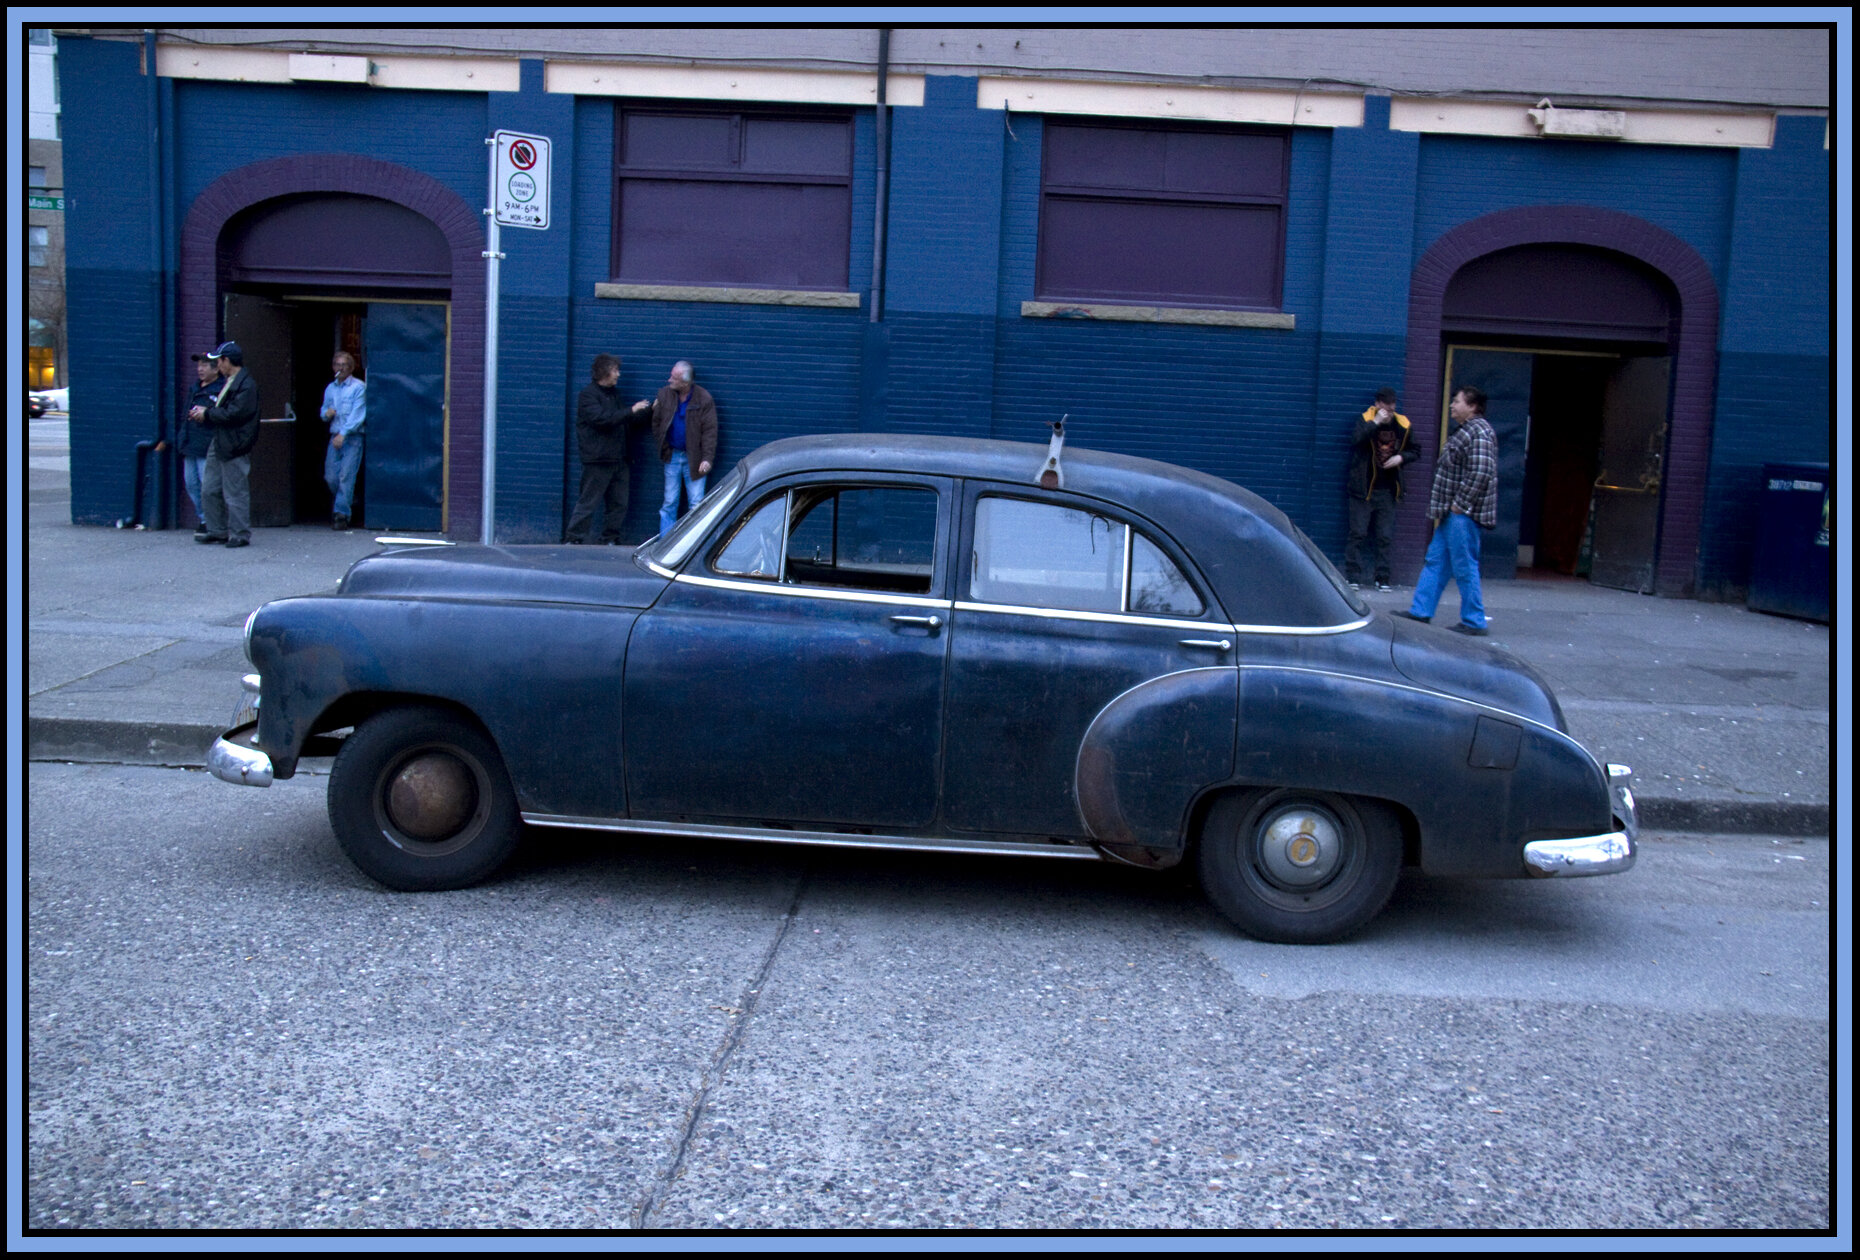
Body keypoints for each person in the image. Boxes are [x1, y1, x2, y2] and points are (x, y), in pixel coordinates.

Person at [1396, 385, 1497, 635]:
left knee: (1464, 566)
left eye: (1457, 401)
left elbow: (1482, 470)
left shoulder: (1479, 432)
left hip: (1462, 514)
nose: (1452, 405)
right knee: (1436, 561)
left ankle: (1474, 621)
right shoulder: (1468, 431)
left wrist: (1459, 504)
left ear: (1472, 407)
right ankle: (1420, 612)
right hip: (1451, 514)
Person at [567, 353, 648, 544]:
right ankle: (573, 539)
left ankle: (610, 538)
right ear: (604, 372)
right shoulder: (588, 395)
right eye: (615, 370)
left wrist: (648, 411)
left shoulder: (614, 395)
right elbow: (602, 420)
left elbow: (624, 420)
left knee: (619, 503)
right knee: (588, 501)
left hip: (619, 459)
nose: (618, 374)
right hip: (598, 460)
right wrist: (631, 410)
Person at [1344, 386, 1419, 592]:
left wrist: (1400, 458)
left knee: (1384, 536)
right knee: (1357, 533)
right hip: (1364, 489)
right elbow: (1356, 439)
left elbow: (1415, 450)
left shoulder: (1402, 424)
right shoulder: (1366, 420)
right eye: (1385, 406)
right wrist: (1375, 423)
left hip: (1387, 490)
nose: (1390, 410)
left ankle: (1382, 578)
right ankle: (1353, 576)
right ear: (1377, 405)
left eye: (1393, 405)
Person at [189, 341, 261, 548]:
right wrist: (207, 411)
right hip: (220, 440)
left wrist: (207, 413)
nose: (217, 366)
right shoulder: (231, 381)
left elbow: (234, 413)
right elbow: (225, 409)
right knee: (209, 488)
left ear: (227, 360)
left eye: (218, 361)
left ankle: (240, 534)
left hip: (234, 443)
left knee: (235, 491)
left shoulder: (246, 385)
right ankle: (217, 530)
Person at [634, 359, 718, 537]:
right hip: (672, 455)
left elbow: (710, 431)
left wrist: (707, 459)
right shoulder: (664, 395)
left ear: (685, 382)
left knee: (696, 503)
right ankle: (666, 543)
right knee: (669, 502)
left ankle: (695, 543)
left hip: (694, 458)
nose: (669, 380)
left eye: (674, 377)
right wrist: (662, 444)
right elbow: (656, 422)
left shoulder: (703, 399)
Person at [160, 352, 220, 523]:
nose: (199, 369)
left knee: (207, 486)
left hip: (207, 445)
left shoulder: (220, 390)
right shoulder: (195, 388)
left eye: (204, 365)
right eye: (198, 365)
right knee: (192, 484)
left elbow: (224, 415)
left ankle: (212, 521)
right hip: (190, 444)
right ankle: (204, 519)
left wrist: (207, 414)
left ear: (216, 370)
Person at [321, 350, 366, 530]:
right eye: (337, 365)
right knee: (331, 476)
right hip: (335, 437)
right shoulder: (330, 389)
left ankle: (341, 515)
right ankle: (348, 500)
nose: (340, 368)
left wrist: (344, 434)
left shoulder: (358, 388)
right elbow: (323, 411)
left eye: (344, 365)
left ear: (351, 368)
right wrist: (326, 413)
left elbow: (358, 415)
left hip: (352, 438)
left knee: (346, 476)